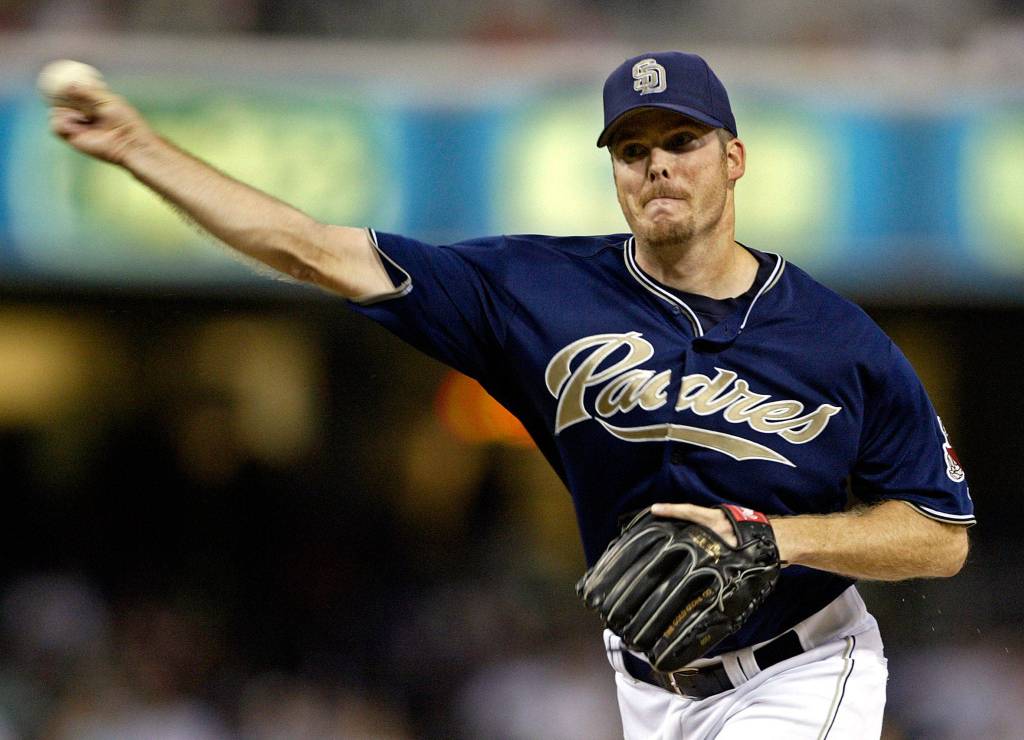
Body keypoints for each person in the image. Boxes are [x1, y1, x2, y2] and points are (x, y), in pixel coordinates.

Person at [50, 50, 974, 739]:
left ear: (734, 158)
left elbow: (939, 538)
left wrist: (778, 541)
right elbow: (313, 248)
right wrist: (138, 148)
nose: (657, 165)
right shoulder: (537, 293)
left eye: (683, 141)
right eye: (633, 148)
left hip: (806, 670)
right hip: (649, 687)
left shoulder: (839, 341)